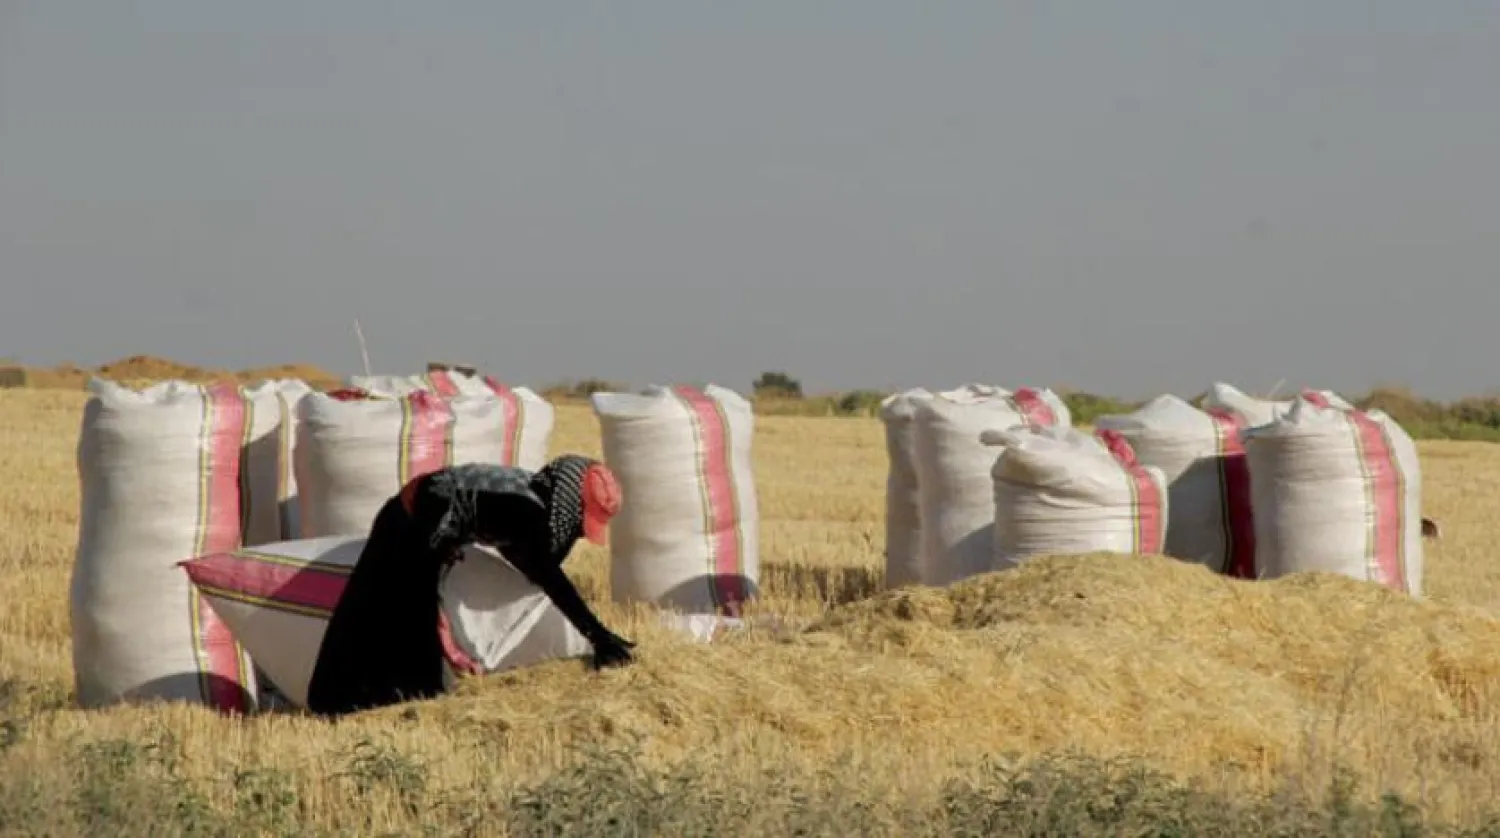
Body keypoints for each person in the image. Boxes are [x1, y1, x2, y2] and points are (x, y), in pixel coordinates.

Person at [306, 454, 636, 718]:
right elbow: (550, 576)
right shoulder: (524, 511)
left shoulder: (530, 504)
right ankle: (351, 705)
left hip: (431, 526)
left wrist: (598, 633)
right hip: (405, 522)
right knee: (387, 615)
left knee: (409, 622)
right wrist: (597, 634)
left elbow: (537, 569)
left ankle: (407, 701)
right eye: (580, 522)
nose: (579, 532)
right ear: (567, 503)